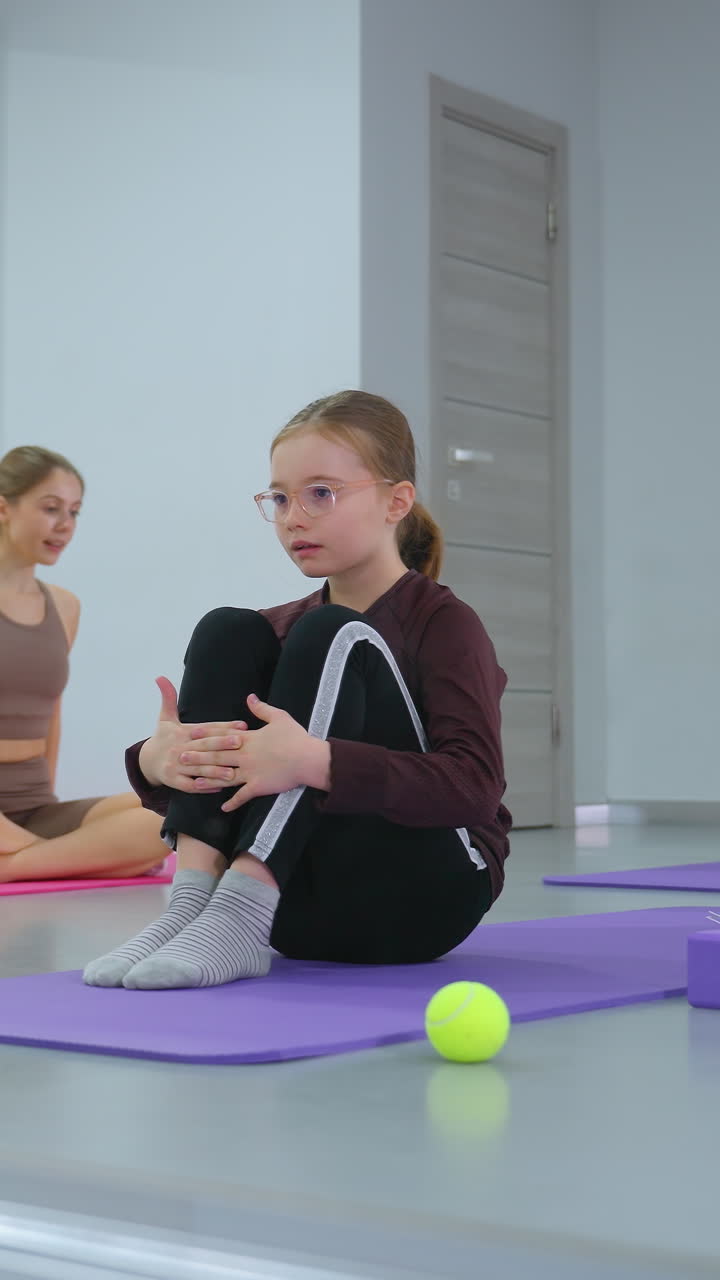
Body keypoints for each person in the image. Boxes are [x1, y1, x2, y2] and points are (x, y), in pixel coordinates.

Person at [84, 391, 512, 990]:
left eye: (321, 493)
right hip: (292, 915)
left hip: (419, 902)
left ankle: (238, 907)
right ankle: (190, 907)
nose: (293, 517)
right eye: (280, 498)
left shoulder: (442, 623)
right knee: (226, 628)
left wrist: (319, 761)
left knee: (335, 634)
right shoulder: (276, 628)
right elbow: (236, 765)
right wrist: (156, 762)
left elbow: (474, 788)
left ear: (397, 501)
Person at [0, 445, 168, 881]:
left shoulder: (64, 607)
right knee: (135, 846)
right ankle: (67, 857)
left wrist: (39, 822)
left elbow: (51, 714)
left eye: (74, 512)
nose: (65, 525)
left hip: (34, 808)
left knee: (171, 814)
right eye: (51, 508)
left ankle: (19, 865)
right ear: (4, 508)